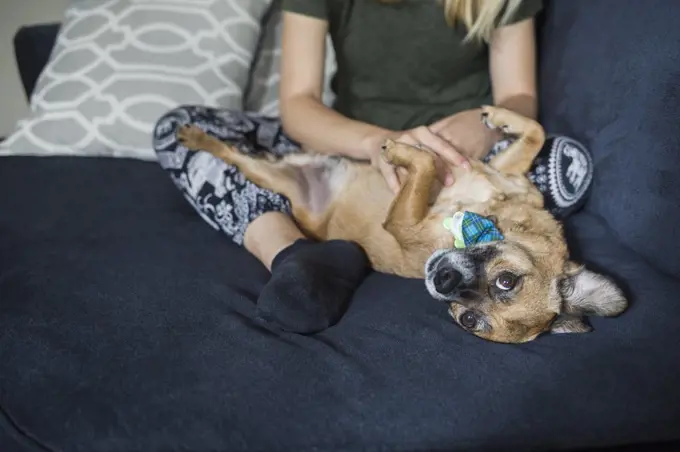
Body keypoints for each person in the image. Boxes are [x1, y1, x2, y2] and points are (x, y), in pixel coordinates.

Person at [152, 0, 593, 334]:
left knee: (561, 155)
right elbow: (298, 105)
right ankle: (294, 255)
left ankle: (497, 237)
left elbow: (518, 98)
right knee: (180, 128)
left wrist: (484, 123)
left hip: (466, 155)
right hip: (350, 143)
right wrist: (374, 143)